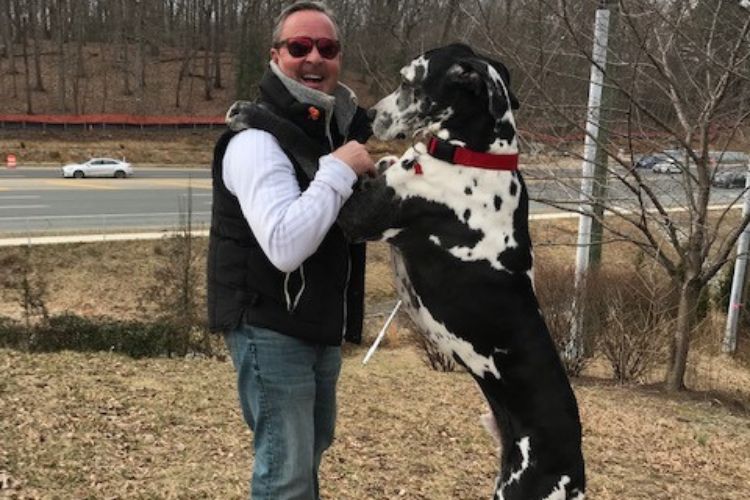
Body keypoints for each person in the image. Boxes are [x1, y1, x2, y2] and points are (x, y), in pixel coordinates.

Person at [206, 2, 375, 499]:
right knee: (286, 474)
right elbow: (284, 245)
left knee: (306, 457)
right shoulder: (256, 141)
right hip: (270, 326)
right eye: (299, 47)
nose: (314, 58)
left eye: (328, 48)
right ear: (275, 56)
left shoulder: (330, 131)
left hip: (315, 326)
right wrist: (340, 170)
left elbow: (341, 227)